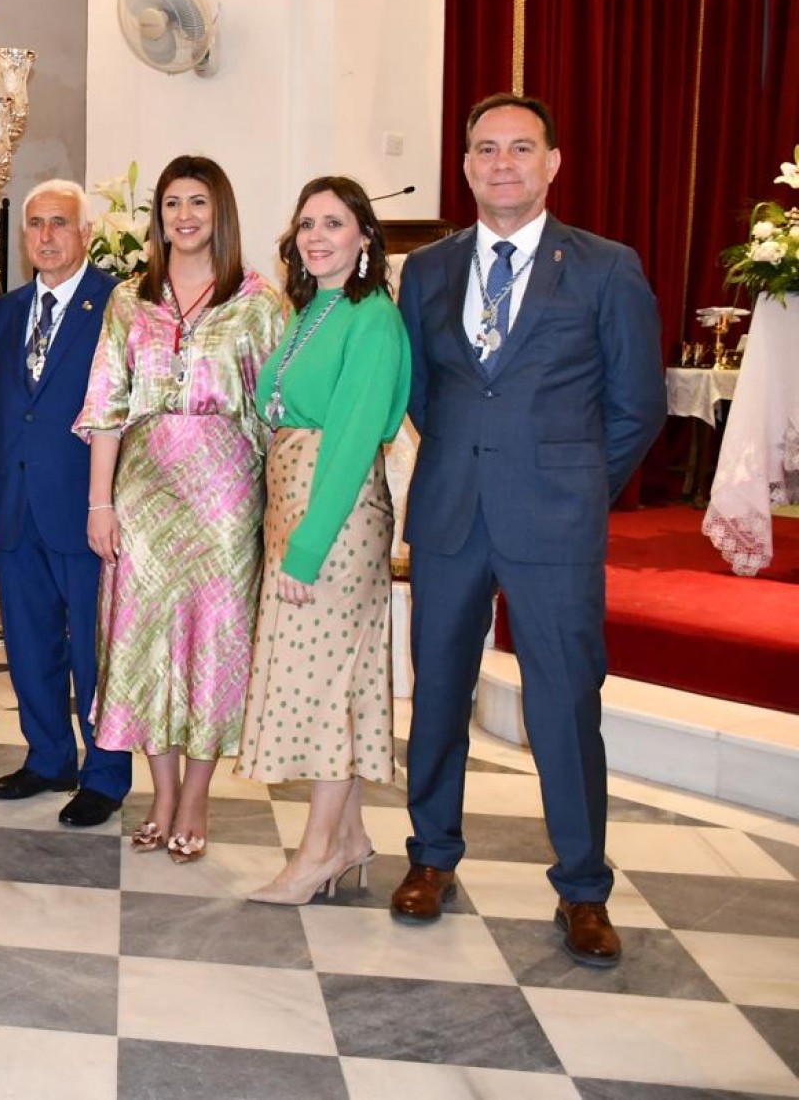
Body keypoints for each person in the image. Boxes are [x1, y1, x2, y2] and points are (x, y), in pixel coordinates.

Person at [391, 94, 663, 966]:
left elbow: (637, 407)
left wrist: (576, 484)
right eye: (484, 149)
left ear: (553, 163)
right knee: (437, 693)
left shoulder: (606, 268)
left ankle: (582, 887)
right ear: (465, 166)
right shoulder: (428, 272)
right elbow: (424, 397)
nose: (501, 163)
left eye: (520, 148)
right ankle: (431, 857)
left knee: (564, 703)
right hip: (449, 514)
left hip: (556, 521)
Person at [75, 155, 284, 863]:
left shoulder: (258, 299)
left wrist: (278, 512)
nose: (183, 216)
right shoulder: (130, 300)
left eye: (197, 203)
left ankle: (197, 796)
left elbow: (280, 414)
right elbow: (104, 406)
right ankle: (159, 794)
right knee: (141, 642)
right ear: (157, 217)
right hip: (141, 492)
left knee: (213, 646)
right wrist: (100, 504)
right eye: (171, 204)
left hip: (224, 497)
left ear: (219, 213)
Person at [236, 177, 409, 903]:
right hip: (296, 504)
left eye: (334, 223)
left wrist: (307, 547)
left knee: (328, 684)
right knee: (335, 677)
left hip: (333, 518)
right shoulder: (312, 310)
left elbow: (349, 441)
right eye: (307, 223)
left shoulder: (372, 317)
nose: (317, 236)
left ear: (363, 237)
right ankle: (350, 839)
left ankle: (314, 856)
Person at [0, 180, 129, 827]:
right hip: (14, 508)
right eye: (35, 224)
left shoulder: (118, 303)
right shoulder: (6, 312)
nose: (45, 236)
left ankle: (106, 771)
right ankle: (48, 757)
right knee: (30, 645)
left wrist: (111, 503)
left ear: (86, 233)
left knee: (95, 650)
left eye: (59, 223)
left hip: (86, 508)